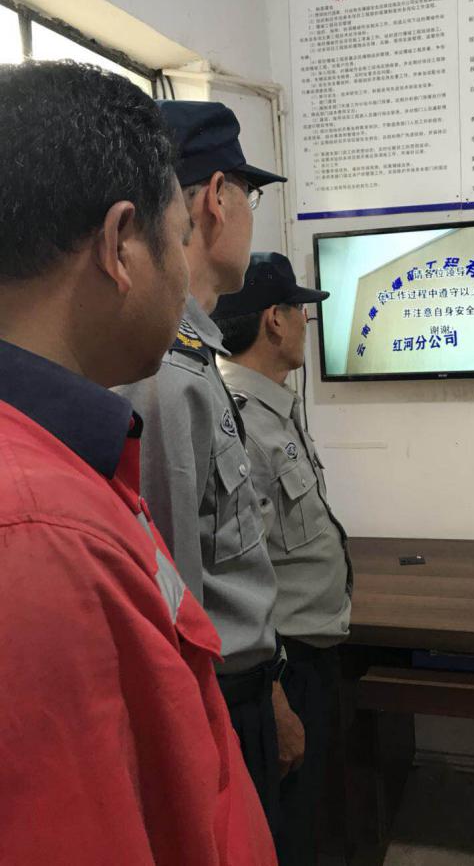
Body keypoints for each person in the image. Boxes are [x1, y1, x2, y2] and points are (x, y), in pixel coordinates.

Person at [0, 61, 275, 866]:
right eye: (179, 237)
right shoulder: (41, 536)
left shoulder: (71, 457)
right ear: (123, 244)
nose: (186, 270)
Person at [117, 101, 303, 849]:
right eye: (251, 196)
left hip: (246, 687)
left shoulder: (196, 358)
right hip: (219, 703)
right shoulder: (165, 376)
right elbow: (176, 611)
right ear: (217, 198)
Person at [212, 253, 353, 866]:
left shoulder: (276, 405)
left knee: (310, 811)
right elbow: (233, 578)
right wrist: (273, 698)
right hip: (284, 667)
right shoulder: (237, 423)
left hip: (312, 651)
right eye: (300, 311)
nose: (304, 324)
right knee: (288, 830)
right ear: (275, 319)